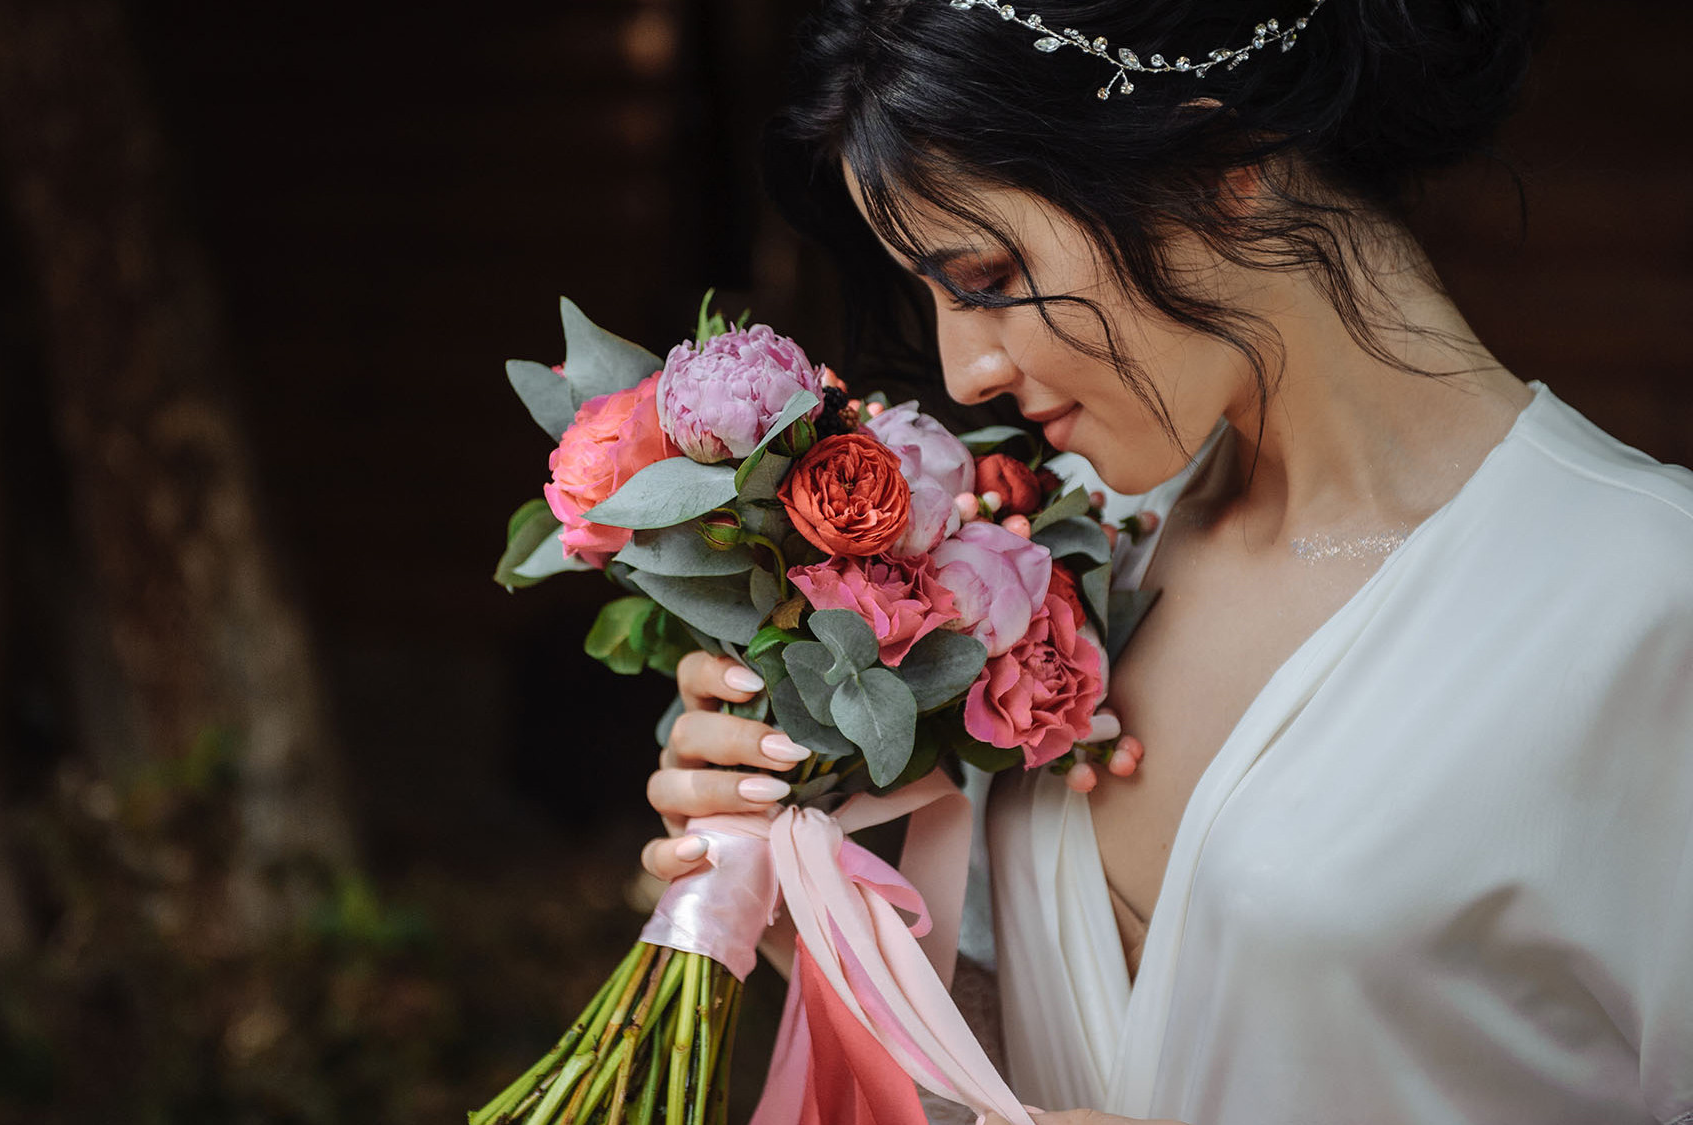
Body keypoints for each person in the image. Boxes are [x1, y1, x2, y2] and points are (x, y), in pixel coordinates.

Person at [637, 0, 1693, 1122]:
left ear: (1217, 161)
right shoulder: (1064, 547)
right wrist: (833, 912)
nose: (962, 369)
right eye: (931, 299)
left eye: (986, 277)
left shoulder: (1643, 598)